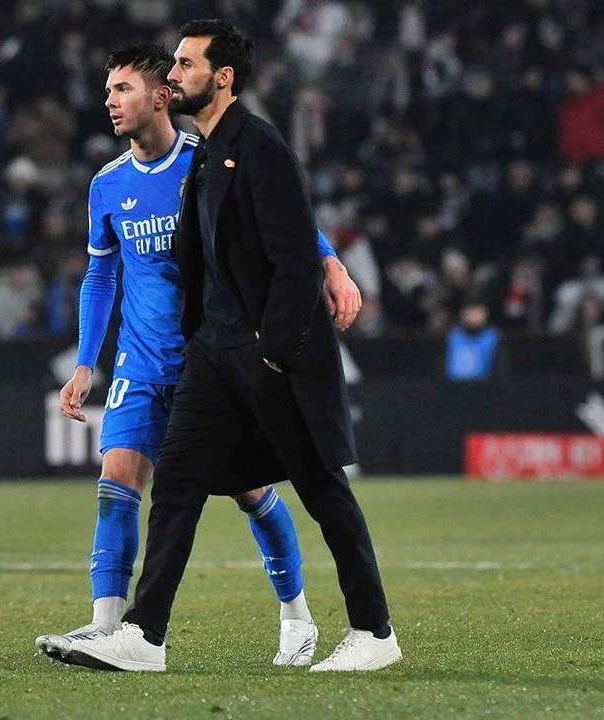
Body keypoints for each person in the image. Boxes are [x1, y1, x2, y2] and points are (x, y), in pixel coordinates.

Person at [66, 20, 400, 673]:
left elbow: (293, 236)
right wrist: (90, 358)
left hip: (253, 352)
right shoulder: (174, 164)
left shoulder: (249, 147)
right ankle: (136, 633)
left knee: (305, 487)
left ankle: (354, 626)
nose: (174, 76)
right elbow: (120, 272)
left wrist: (321, 280)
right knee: (167, 486)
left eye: (184, 66)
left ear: (216, 79)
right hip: (194, 355)